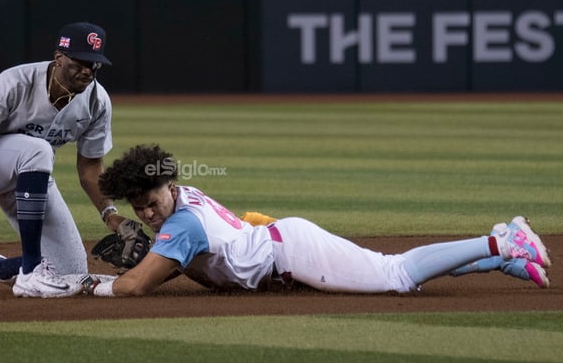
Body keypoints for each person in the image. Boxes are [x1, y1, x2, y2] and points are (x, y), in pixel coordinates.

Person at [83, 144, 550, 297]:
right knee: (383, 262)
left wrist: (87, 283)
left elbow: (132, 288)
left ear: (167, 185)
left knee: (396, 275)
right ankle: (496, 260)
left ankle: (503, 243)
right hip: (281, 243)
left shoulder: (179, 225)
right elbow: (234, 228)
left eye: (150, 201)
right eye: (137, 206)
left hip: (290, 250)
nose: (146, 212)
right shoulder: (185, 195)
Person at [0, 22, 142, 298]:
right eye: (80, 62)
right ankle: (29, 272)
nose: (88, 70)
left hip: (32, 175)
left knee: (69, 270)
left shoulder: (97, 101)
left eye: (94, 64)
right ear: (59, 57)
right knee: (39, 149)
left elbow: (90, 167)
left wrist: (111, 215)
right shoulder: (15, 81)